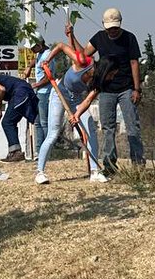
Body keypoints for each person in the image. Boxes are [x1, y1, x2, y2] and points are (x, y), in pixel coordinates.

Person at [34, 33, 107, 185]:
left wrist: (77, 115)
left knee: (90, 130)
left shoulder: (100, 82)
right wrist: (47, 60)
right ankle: (40, 172)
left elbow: (88, 100)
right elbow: (61, 46)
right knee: (53, 134)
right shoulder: (82, 60)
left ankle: (94, 171)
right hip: (59, 94)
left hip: (77, 100)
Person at [82, 8, 144, 173]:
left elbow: (134, 63)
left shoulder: (129, 38)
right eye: (109, 28)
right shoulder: (98, 38)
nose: (113, 31)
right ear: (104, 26)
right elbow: (84, 54)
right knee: (108, 127)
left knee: (132, 126)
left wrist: (137, 89)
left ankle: (138, 164)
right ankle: (109, 165)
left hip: (127, 88)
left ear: (120, 23)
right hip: (106, 89)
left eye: (115, 27)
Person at [0, 71, 39, 162]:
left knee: (8, 122)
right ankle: (42, 149)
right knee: (37, 121)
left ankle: (15, 152)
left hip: (20, 92)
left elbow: (2, 89)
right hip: (25, 91)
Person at [31, 37, 53, 156]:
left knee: (44, 122)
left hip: (45, 92)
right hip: (39, 92)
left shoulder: (47, 56)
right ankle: (39, 152)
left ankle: (46, 152)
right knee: (38, 122)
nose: (31, 50)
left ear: (39, 45)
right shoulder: (40, 54)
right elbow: (36, 62)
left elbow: (49, 77)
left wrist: (35, 85)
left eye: (33, 47)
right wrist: (29, 67)